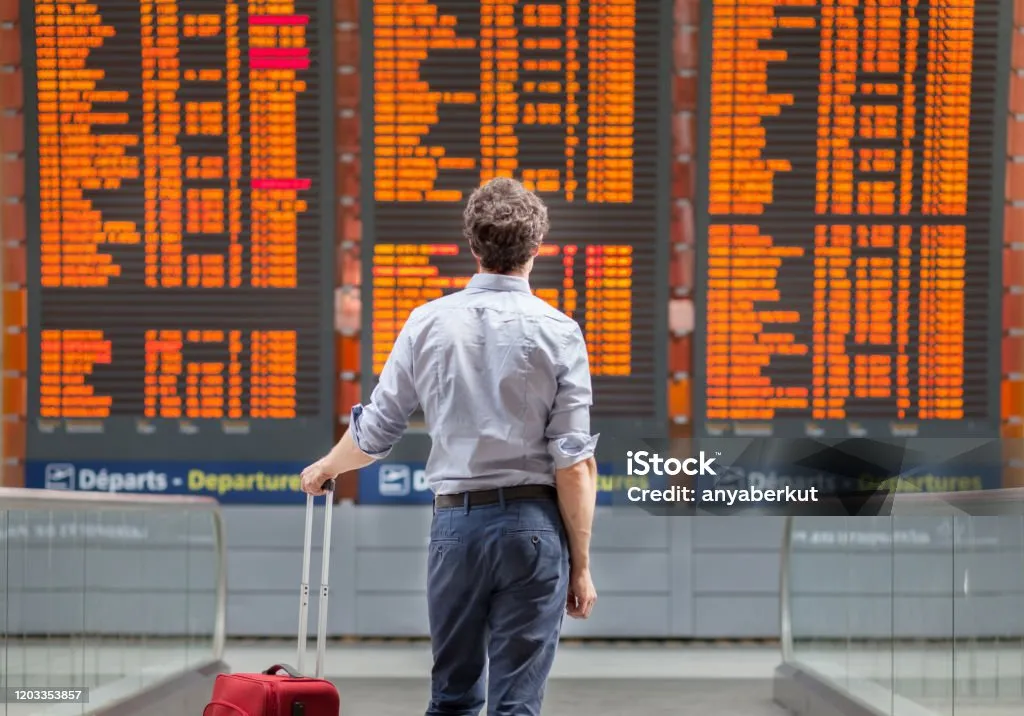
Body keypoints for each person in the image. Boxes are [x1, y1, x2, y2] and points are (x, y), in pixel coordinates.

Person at [300, 176, 599, 715]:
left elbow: (376, 433)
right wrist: (579, 566)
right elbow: (574, 464)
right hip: (534, 532)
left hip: (457, 530)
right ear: (535, 249)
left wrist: (326, 467)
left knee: (453, 698)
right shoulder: (560, 331)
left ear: (472, 245)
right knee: (517, 705)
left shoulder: (427, 323)